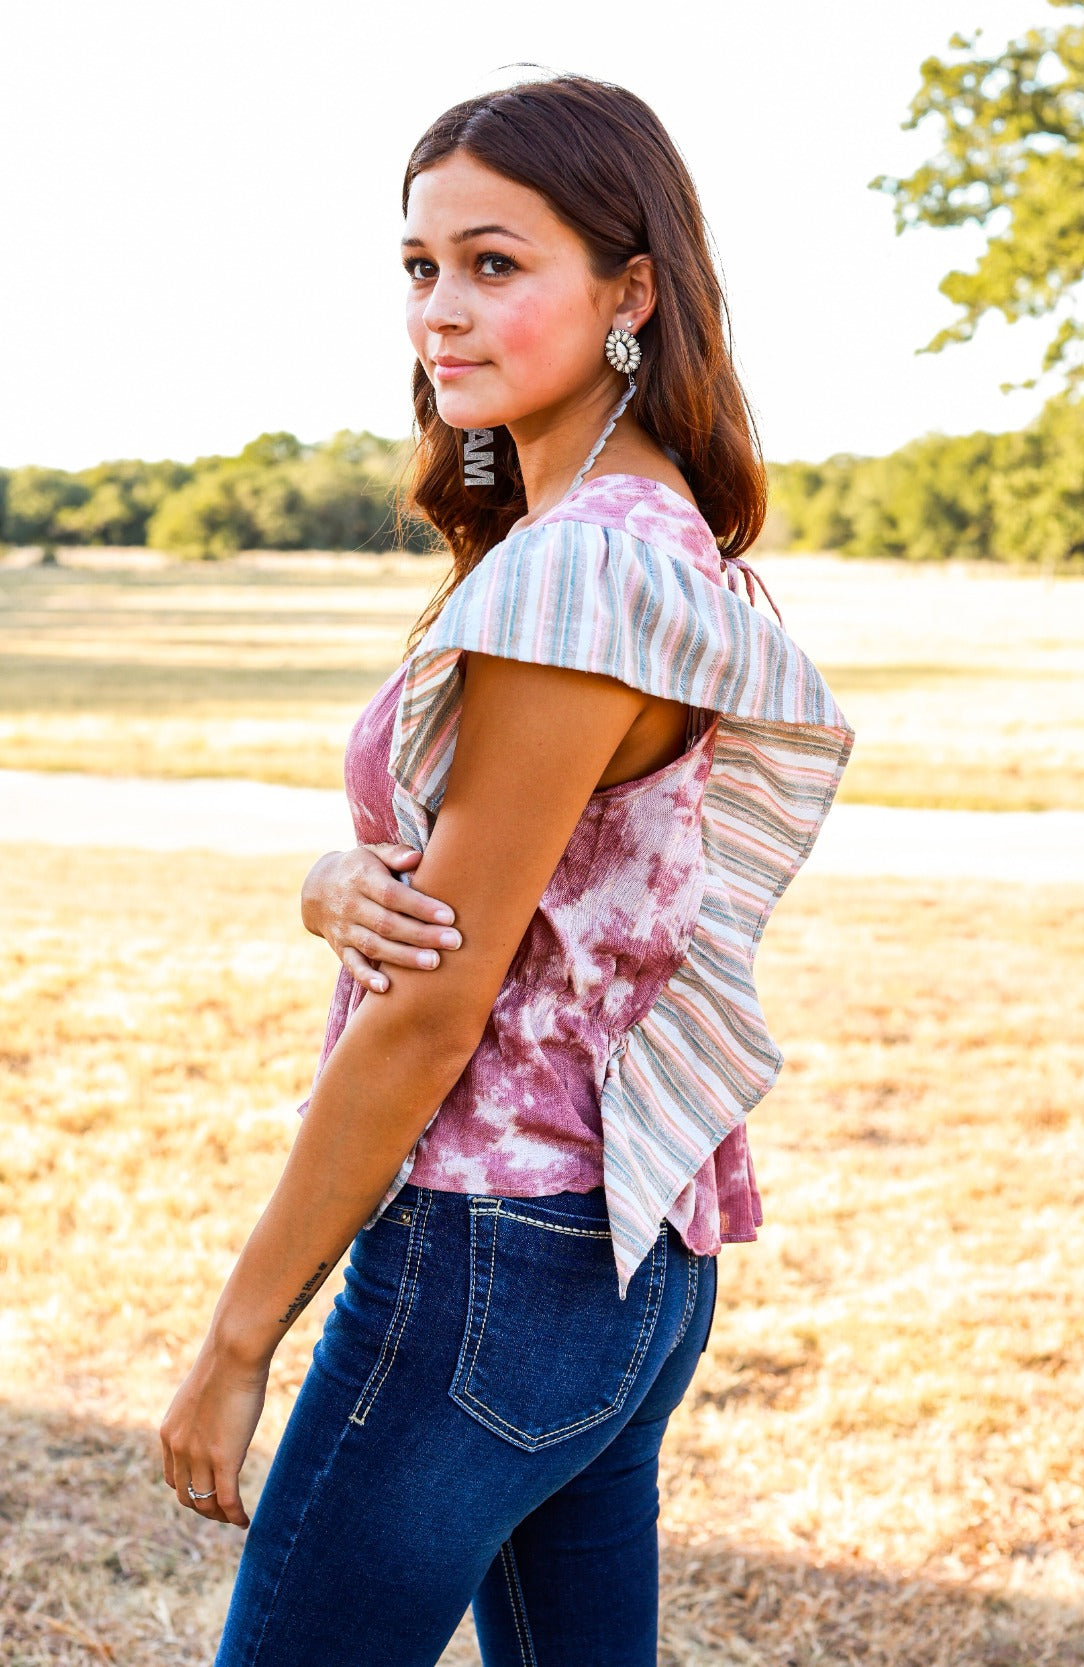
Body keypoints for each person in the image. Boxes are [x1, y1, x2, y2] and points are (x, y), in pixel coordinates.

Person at [160, 71, 854, 1666]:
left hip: (489, 1254)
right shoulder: (661, 542)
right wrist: (340, 883)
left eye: (494, 263)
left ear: (629, 293)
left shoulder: (581, 572)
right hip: (630, 1262)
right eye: (419, 268)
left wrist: (237, 1332)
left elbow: (435, 1006)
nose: (442, 312)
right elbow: (544, 901)